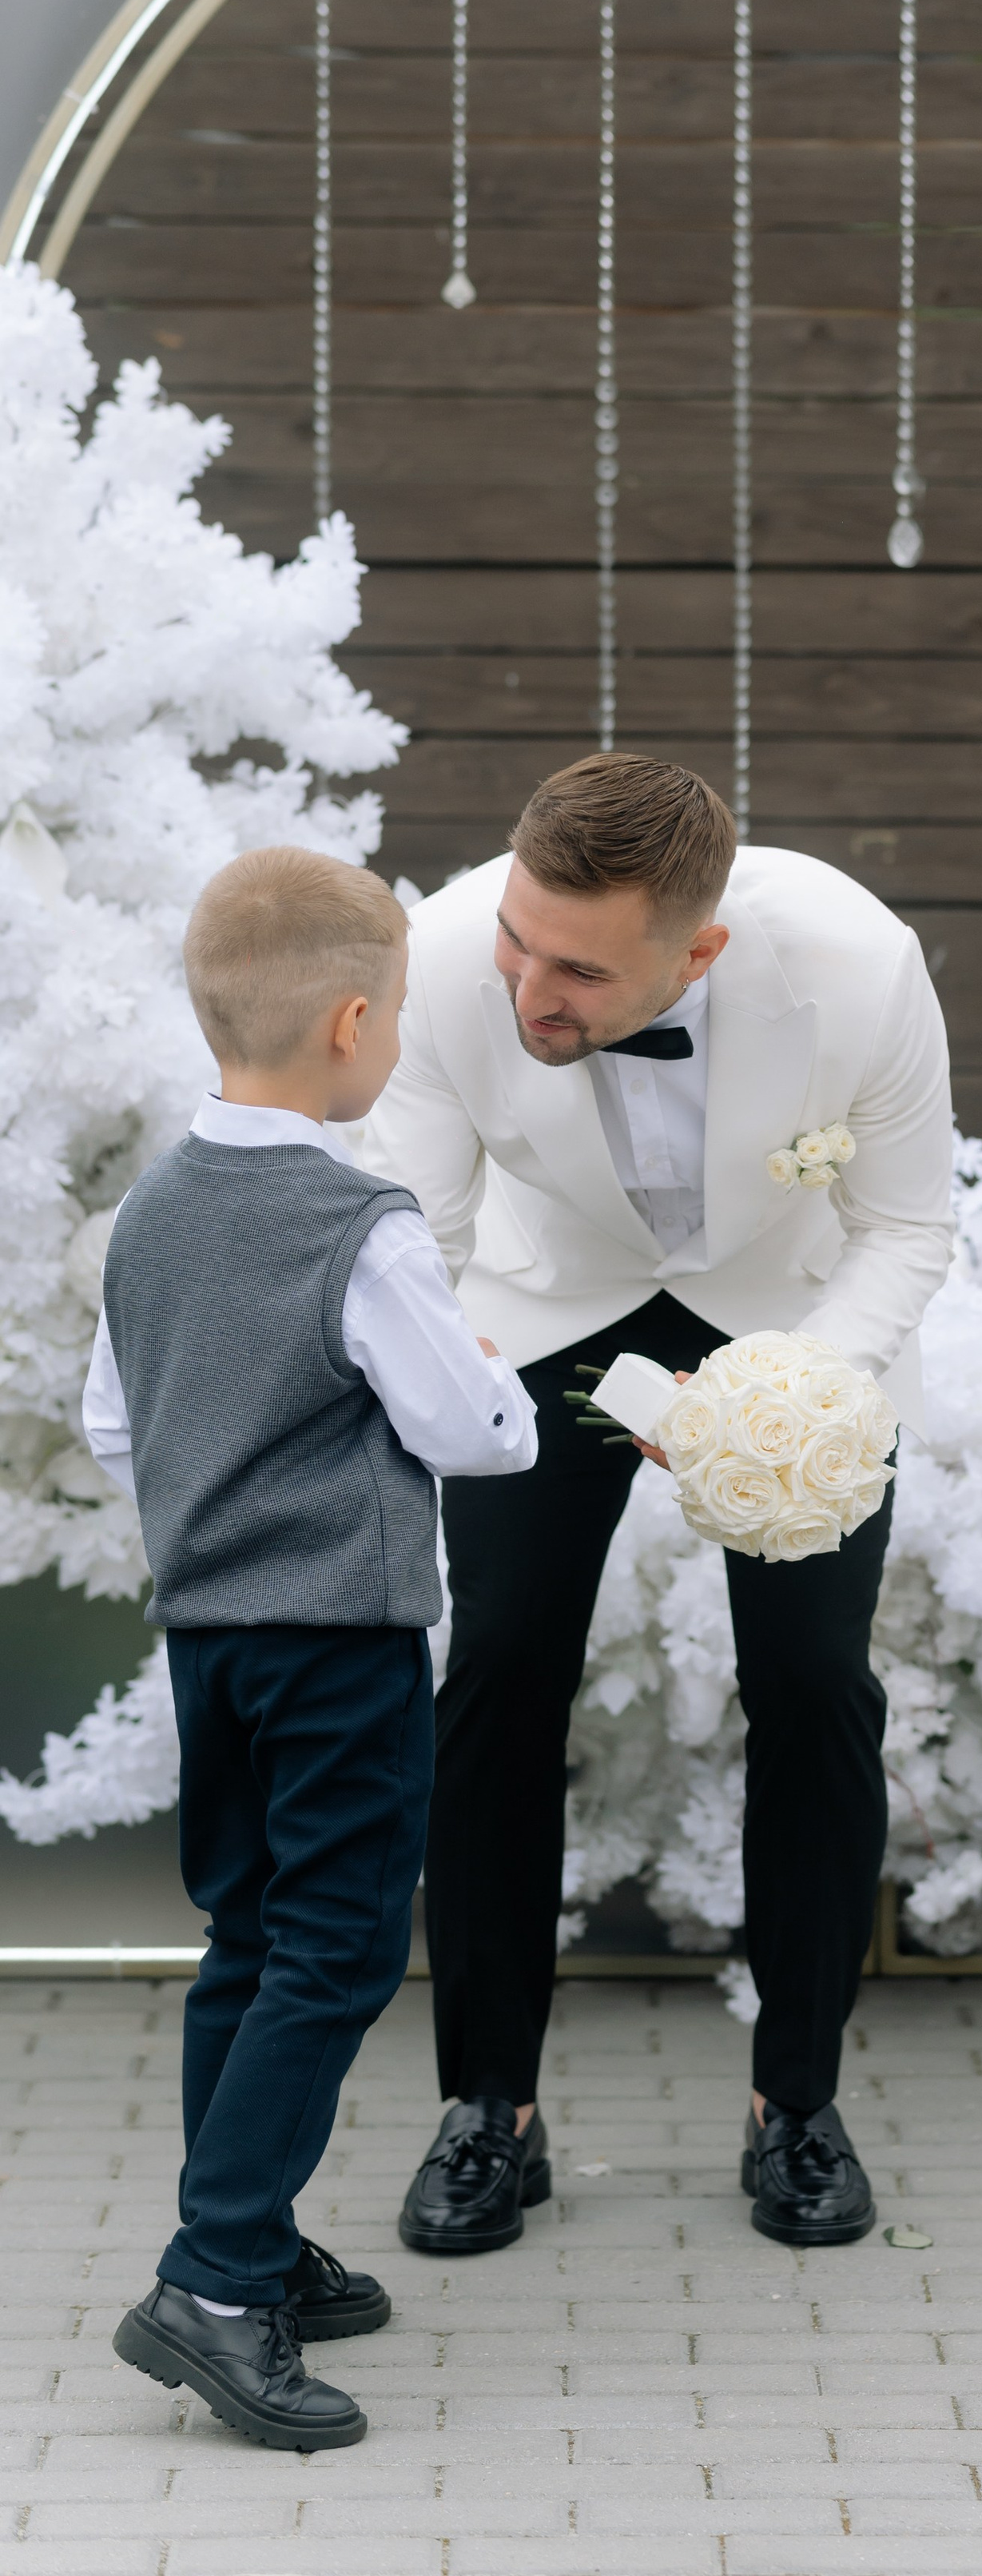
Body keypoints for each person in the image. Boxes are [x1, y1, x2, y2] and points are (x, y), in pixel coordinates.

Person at [364, 754, 952, 2252]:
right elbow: (414, 1237)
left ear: (702, 951)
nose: (527, 991)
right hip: (541, 1315)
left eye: (578, 969)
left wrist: (789, 1403)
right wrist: (466, 1381)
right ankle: (488, 2108)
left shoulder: (862, 968)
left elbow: (904, 1224)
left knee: (816, 1684)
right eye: (520, 938)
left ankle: (798, 2104)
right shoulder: (440, 962)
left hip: (788, 1326)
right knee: (497, 1675)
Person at [89, 847, 539, 2450]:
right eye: (402, 1015)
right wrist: (503, 1390)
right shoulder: (361, 1222)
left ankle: (253, 2242)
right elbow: (463, 1428)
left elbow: (110, 1415)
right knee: (339, 1950)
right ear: (353, 1022)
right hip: (341, 1646)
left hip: (209, 1641)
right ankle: (214, 2282)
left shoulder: (154, 1210)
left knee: (251, 1935)